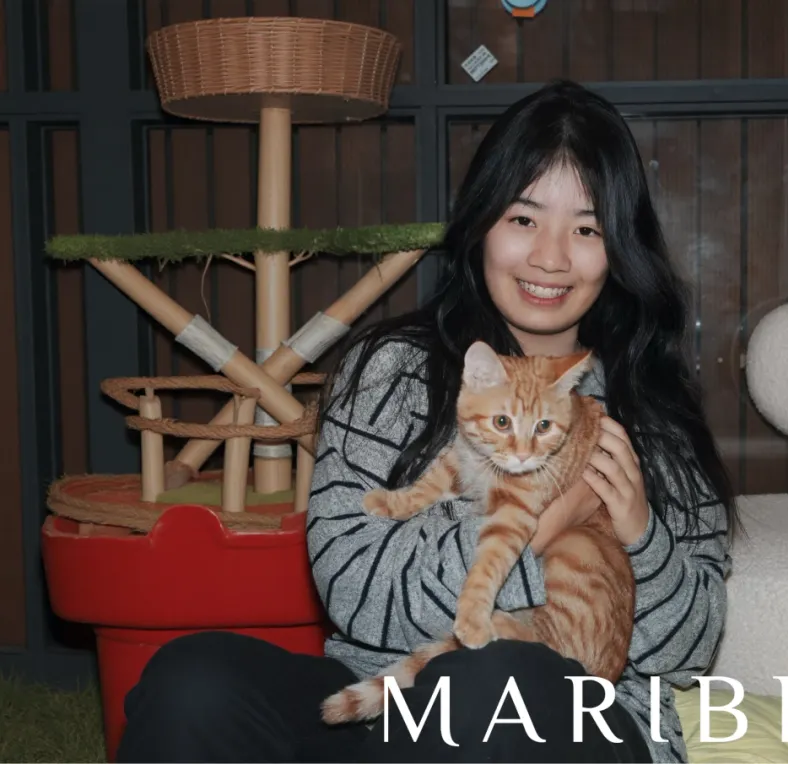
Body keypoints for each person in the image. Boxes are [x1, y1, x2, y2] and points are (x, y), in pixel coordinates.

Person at [116, 79, 736, 764]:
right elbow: (352, 587)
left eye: (586, 229)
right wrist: (543, 523)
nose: (551, 257)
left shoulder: (656, 415)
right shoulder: (392, 369)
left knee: (495, 685)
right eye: (523, 219)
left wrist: (640, 534)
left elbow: (691, 650)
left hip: (578, 715)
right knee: (193, 681)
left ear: (619, 247)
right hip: (383, 698)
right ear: (481, 223)